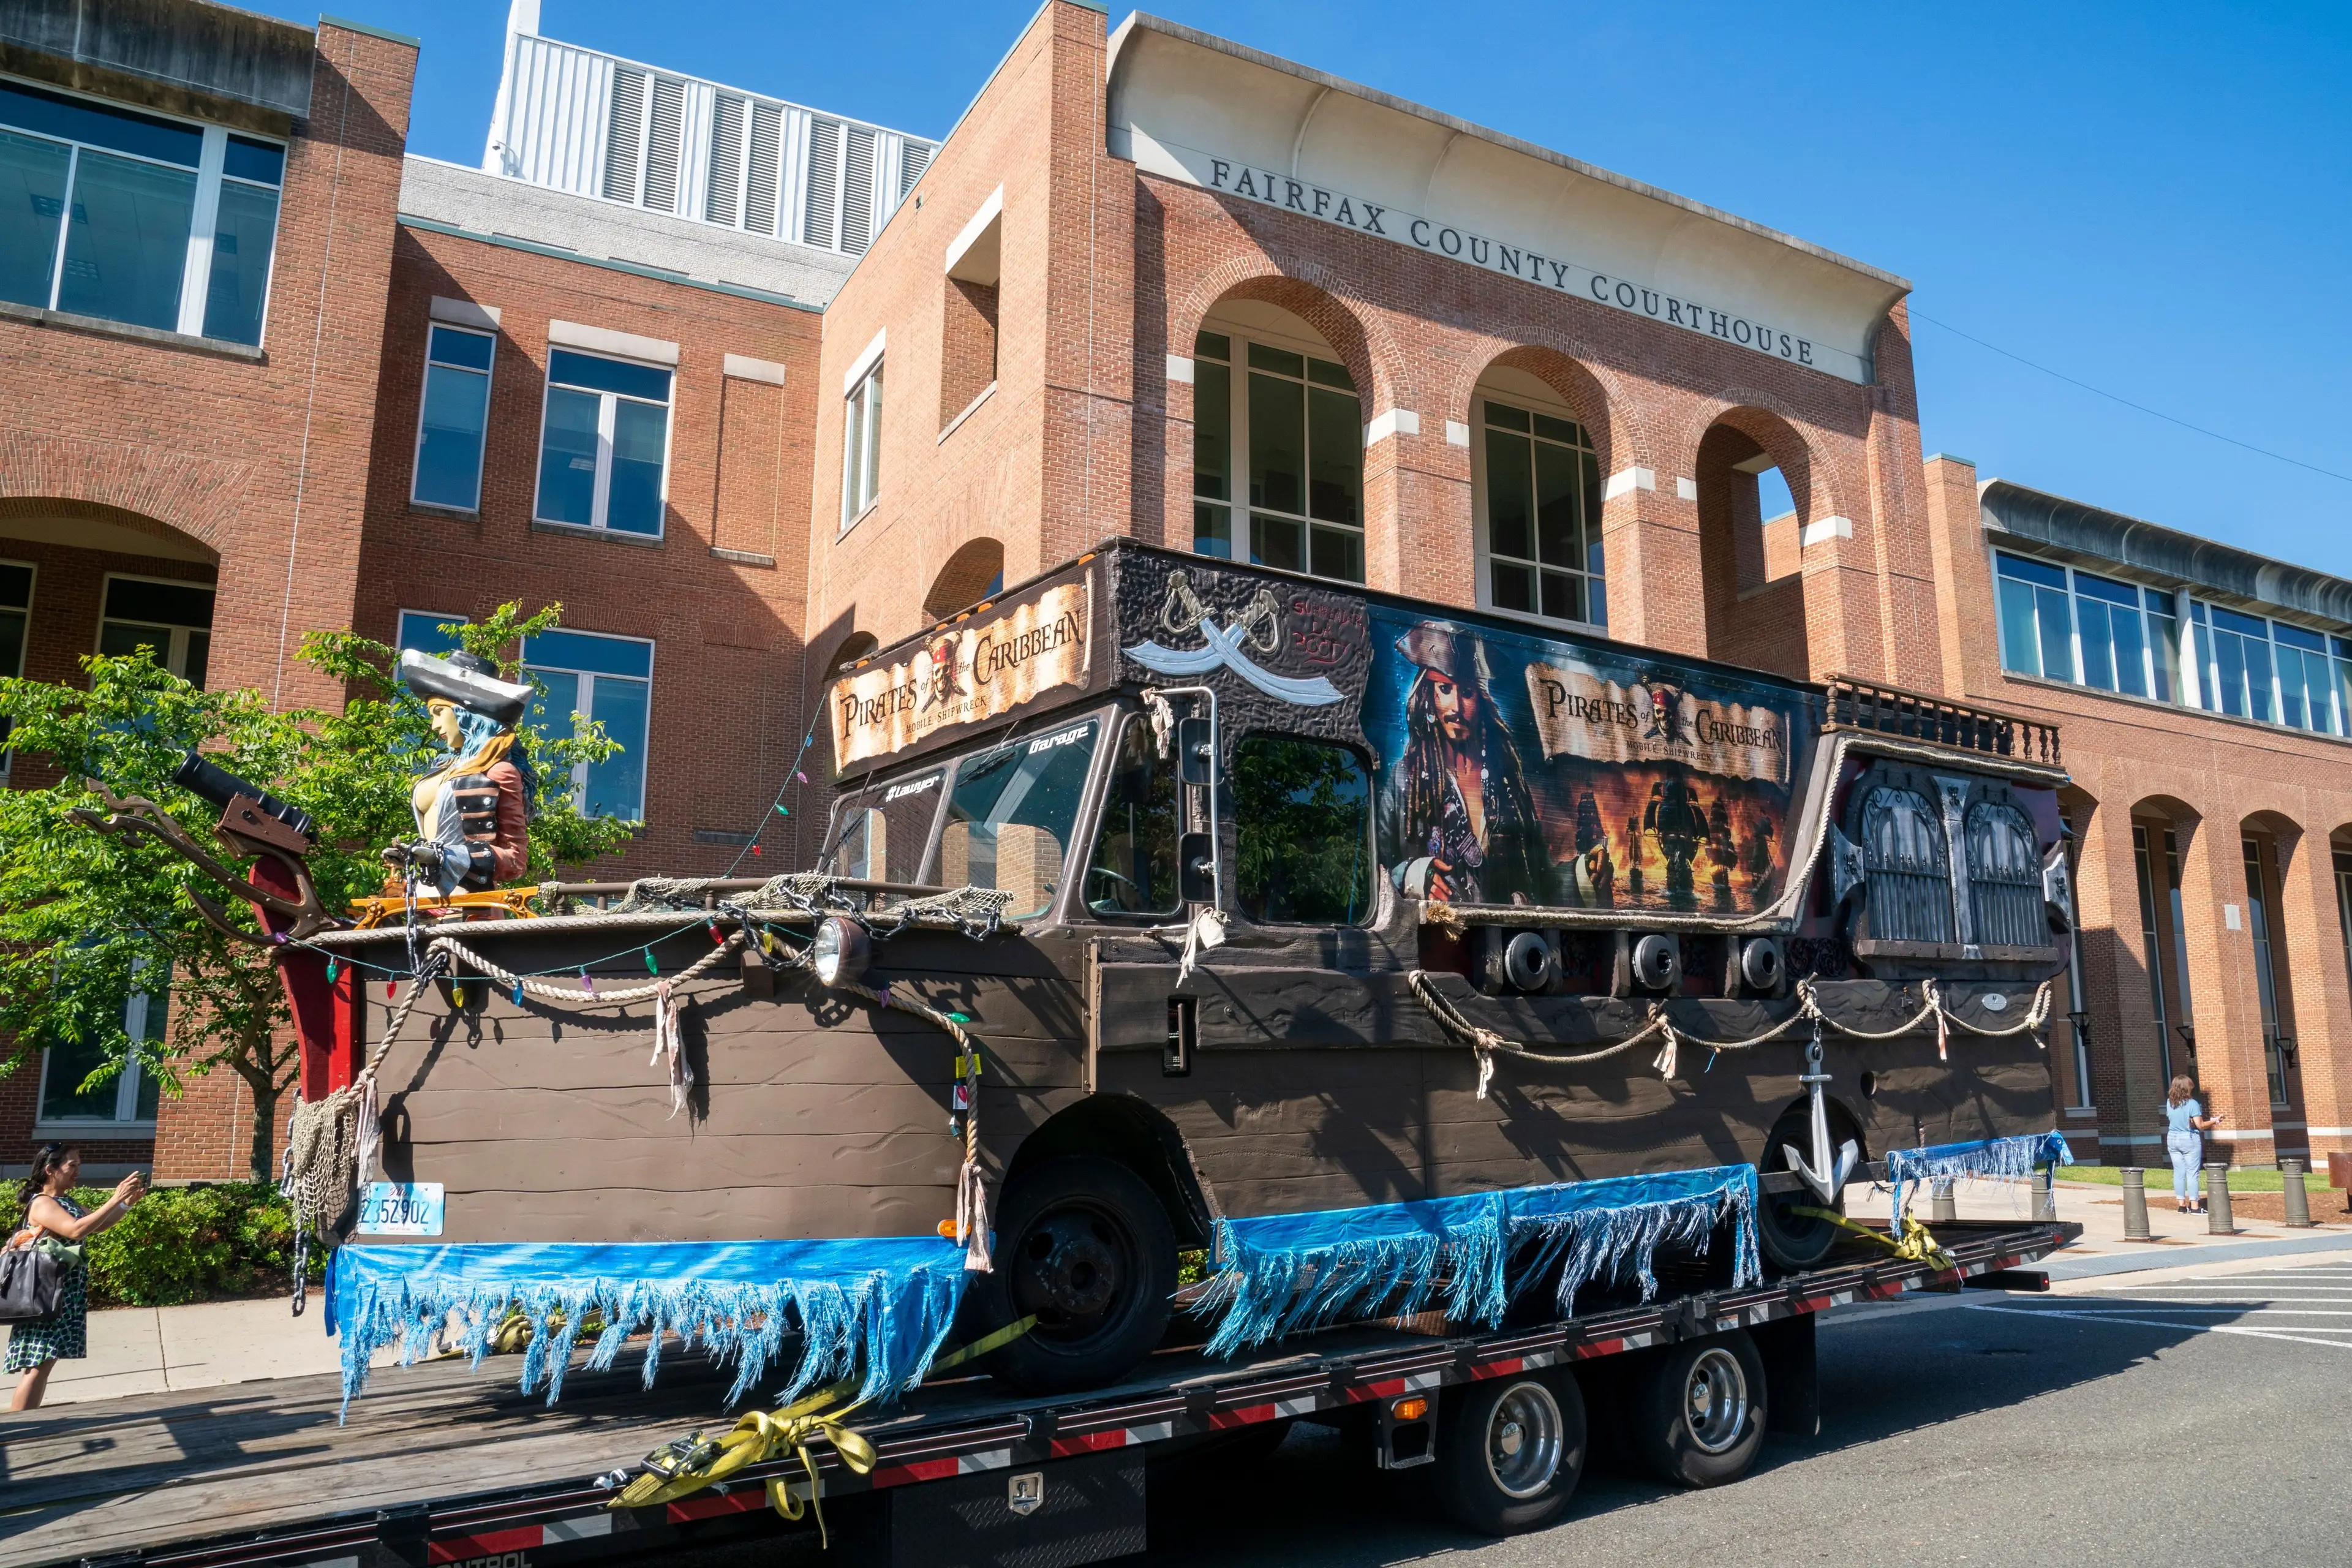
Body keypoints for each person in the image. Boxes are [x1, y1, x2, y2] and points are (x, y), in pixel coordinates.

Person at [1376, 622, 1548, 905]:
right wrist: (1414, 876)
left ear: (1481, 700)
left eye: (1467, 692)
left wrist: (1583, 872)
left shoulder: (1508, 782)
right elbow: (1377, 870)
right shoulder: (1404, 779)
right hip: (1436, 940)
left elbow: (1542, 876)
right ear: (1429, 698)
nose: (1456, 707)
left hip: (1505, 939)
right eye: (1445, 689)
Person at [385, 649, 538, 895]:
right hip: (421, 893)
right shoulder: (442, 768)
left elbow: (515, 861)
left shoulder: (500, 771)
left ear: (466, 713)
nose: (434, 726)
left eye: (438, 713)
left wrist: (446, 857)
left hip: (467, 899)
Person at [7, 1144, 145, 1411]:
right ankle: (17, 1429)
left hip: (63, 1291)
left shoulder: (66, 1201)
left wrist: (126, 1204)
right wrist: (114, 1198)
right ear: (51, 1170)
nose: (78, 1170)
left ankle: (27, 1423)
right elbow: (75, 1230)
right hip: (44, 1291)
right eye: (72, 1165)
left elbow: (96, 1225)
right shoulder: (43, 1203)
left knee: (45, 1363)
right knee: (37, 1364)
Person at [2163, 1076, 2225, 1213]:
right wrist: (2215, 1121)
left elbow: (2172, 1117)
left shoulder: (2170, 1103)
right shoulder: (2192, 1104)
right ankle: (2195, 1206)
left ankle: (2181, 1205)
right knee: (2192, 1173)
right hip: (2189, 1139)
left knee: (2178, 1172)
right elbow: (2200, 1125)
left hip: (2172, 1138)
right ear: (2187, 1088)